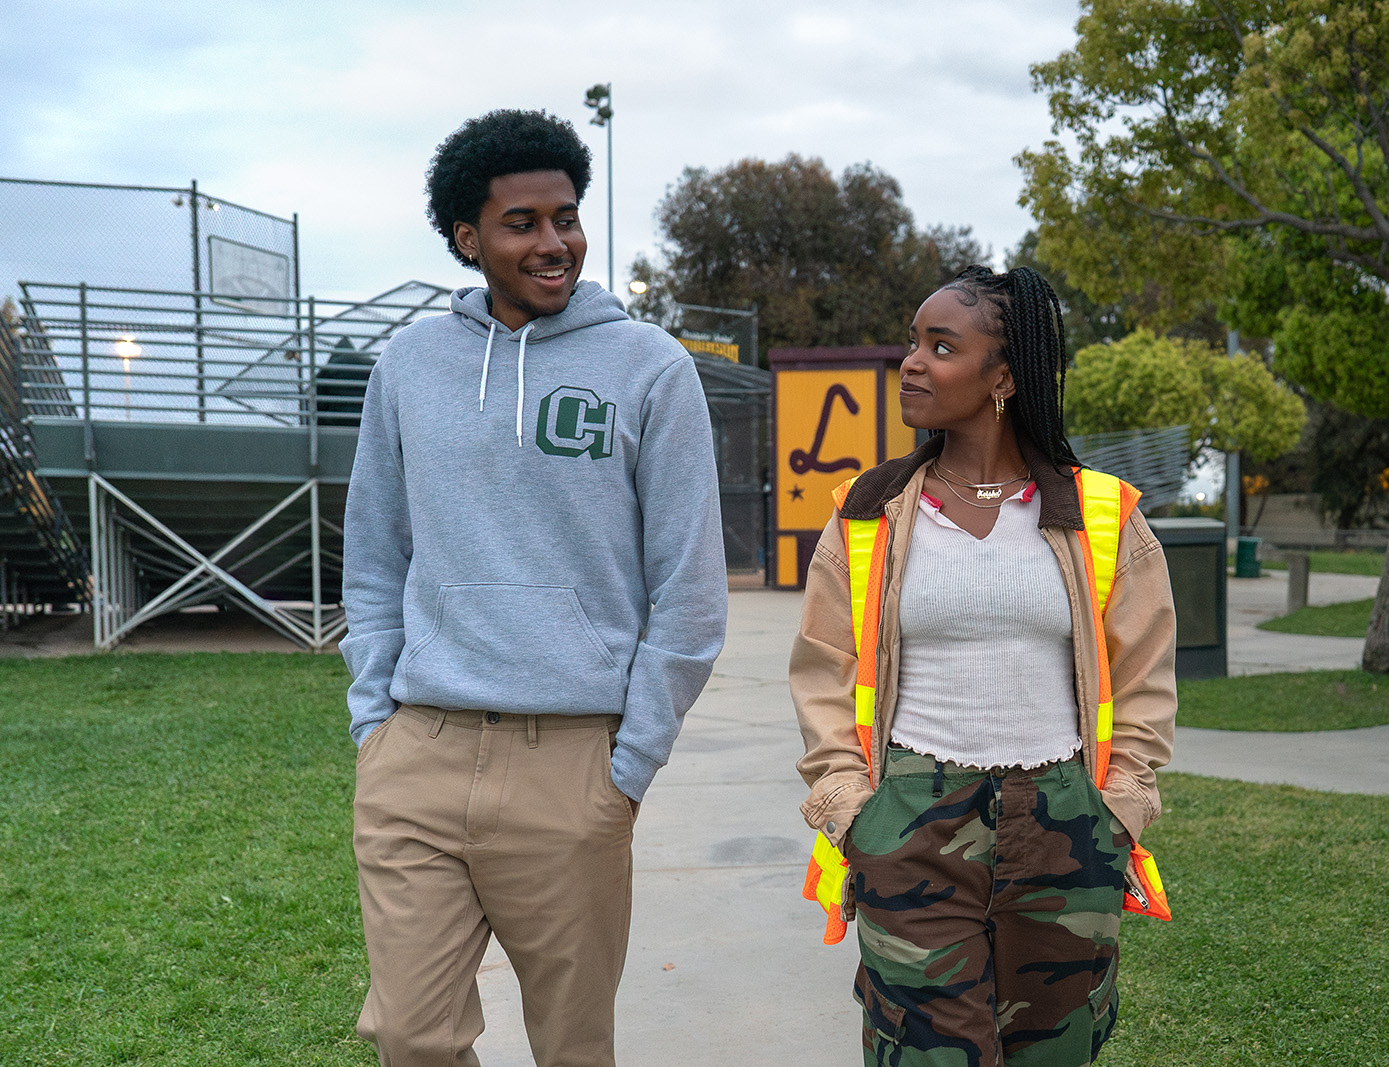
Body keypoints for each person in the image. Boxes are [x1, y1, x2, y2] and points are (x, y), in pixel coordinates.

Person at [340, 109, 727, 1067]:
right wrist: (372, 721)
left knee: (572, 1046)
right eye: (522, 223)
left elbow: (688, 587)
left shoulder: (651, 369)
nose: (554, 243)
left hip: (573, 763)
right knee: (411, 1035)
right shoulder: (408, 367)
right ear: (468, 237)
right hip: (418, 753)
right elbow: (375, 553)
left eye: (567, 217)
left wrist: (627, 767)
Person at [791, 265, 1177, 1066]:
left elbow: (1145, 681)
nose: (913, 362)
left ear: (1002, 376)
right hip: (912, 821)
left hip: (1069, 825)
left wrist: (1122, 805)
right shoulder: (866, 514)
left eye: (942, 346)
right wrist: (850, 807)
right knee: (932, 1052)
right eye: (912, 342)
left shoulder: (1103, 514)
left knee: (1055, 1050)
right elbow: (820, 672)